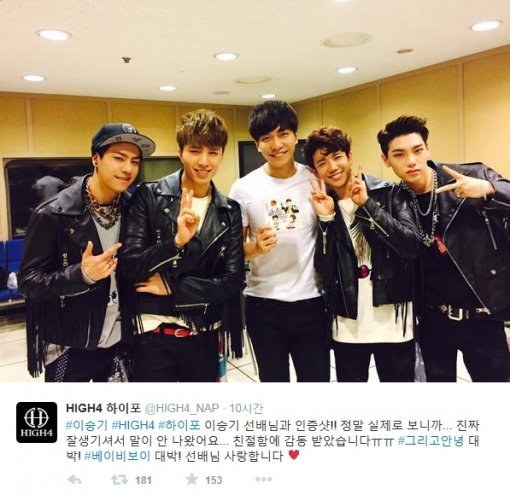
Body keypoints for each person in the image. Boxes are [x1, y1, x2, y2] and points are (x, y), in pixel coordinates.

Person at [18, 123, 156, 381]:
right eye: (119, 158)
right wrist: (81, 275)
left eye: (135, 161)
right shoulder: (53, 214)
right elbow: (28, 283)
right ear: (95, 159)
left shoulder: (134, 210)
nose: (128, 168)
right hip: (68, 343)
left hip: (119, 339)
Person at [378, 115, 510, 382]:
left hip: (482, 316)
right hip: (432, 320)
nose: (411, 161)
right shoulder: (394, 200)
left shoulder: (471, 176)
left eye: (417, 150)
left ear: (427, 149)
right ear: (386, 160)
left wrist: (488, 189)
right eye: (399, 154)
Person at [120, 109, 245, 382]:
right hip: (153, 336)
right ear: (181, 152)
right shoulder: (149, 196)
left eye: (213, 152)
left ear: (222, 154)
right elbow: (129, 266)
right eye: (195, 151)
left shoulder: (229, 210)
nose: (204, 161)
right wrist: (175, 243)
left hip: (204, 334)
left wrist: (173, 287)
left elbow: (233, 280)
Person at [304, 126, 420, 382]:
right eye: (322, 163)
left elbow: (411, 246)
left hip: (393, 321)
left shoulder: (390, 193)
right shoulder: (324, 205)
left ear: (349, 156)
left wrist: (367, 206)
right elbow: (323, 268)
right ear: (315, 171)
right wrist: (326, 219)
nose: (332, 167)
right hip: (348, 323)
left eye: (337, 157)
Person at [229, 100, 330, 382]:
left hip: (312, 302)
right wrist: (255, 248)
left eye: (283, 134)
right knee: (274, 384)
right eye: (266, 138)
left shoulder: (315, 178)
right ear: (257, 145)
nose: (276, 144)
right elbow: (233, 253)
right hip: (264, 305)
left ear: (296, 136)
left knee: (316, 384)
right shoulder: (243, 188)